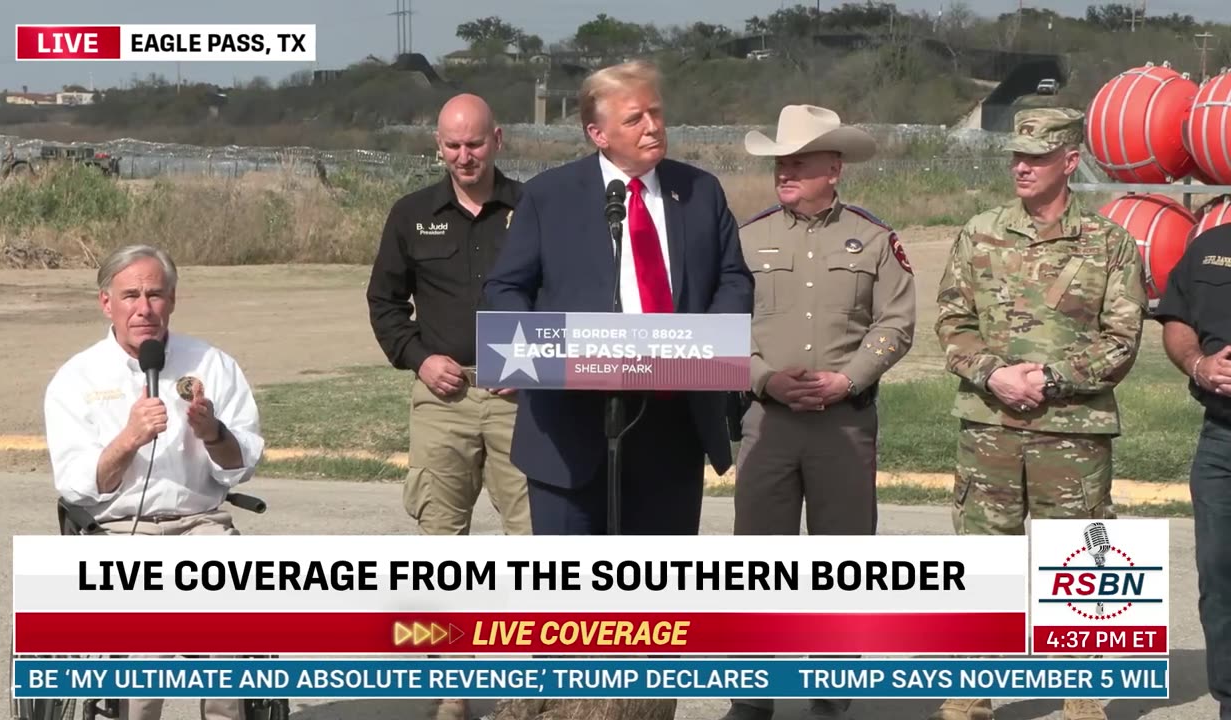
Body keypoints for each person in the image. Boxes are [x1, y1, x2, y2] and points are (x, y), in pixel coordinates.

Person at [931, 108, 1147, 720]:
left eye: (1036, 157)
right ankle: (970, 694)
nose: (1021, 167)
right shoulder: (979, 232)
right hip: (989, 425)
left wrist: (1050, 380)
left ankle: (1081, 697)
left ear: (1070, 162)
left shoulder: (1109, 242)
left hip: (1072, 434)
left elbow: (1121, 340)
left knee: (1078, 563)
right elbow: (951, 320)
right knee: (982, 560)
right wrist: (993, 373)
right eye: (1016, 156)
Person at [481, 59, 754, 536]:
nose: (652, 127)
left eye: (656, 112)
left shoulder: (700, 193)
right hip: (570, 432)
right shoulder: (550, 197)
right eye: (634, 118)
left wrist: (708, 345)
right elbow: (504, 289)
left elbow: (734, 280)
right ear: (598, 134)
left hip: (672, 426)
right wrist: (529, 354)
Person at [720, 104, 916, 720]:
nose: (786, 170)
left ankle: (831, 684)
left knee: (842, 557)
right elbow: (719, 329)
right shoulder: (746, 238)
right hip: (766, 422)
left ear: (834, 167)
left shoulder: (877, 239)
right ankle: (751, 694)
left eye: (800, 161)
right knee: (757, 561)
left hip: (844, 423)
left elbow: (897, 323)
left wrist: (849, 378)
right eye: (781, 161)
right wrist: (763, 379)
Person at [43, 244, 264, 720]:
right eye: (130, 296)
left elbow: (241, 464)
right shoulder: (75, 378)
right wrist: (128, 439)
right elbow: (78, 486)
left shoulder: (212, 364)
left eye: (155, 295)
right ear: (106, 303)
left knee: (235, 627)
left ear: (173, 299)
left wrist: (213, 432)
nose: (144, 309)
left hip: (200, 524)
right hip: (119, 531)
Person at [366, 94, 530, 720]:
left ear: (498, 140)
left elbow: (562, 294)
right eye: (453, 145)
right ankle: (453, 689)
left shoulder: (532, 209)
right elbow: (384, 303)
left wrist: (537, 363)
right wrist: (418, 357)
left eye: (476, 143)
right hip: (446, 394)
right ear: (437, 145)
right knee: (442, 548)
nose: (465, 156)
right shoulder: (411, 214)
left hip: (522, 397)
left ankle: (525, 687)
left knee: (537, 541)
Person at [1152, 223, 1231, 719]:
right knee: (1220, 576)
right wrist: (1199, 364)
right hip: (1223, 442)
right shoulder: (1211, 249)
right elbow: (1175, 317)